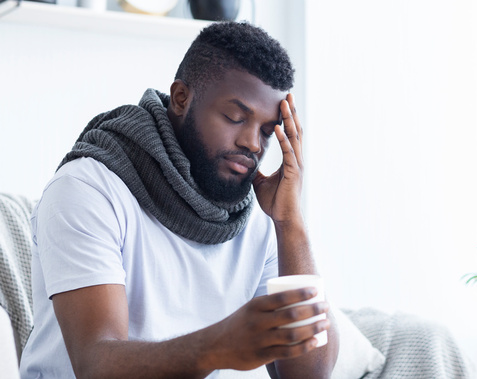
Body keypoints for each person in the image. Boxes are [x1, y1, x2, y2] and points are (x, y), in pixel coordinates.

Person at [19, 21, 338, 378]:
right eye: (235, 117)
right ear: (182, 98)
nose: (252, 143)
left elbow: (309, 374)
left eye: (267, 131)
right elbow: (95, 364)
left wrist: (290, 224)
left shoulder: (261, 215)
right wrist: (218, 346)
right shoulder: (90, 188)